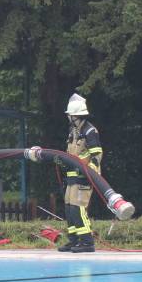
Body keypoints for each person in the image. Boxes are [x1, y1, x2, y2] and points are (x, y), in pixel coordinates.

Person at [57, 93, 102, 253]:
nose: (68, 117)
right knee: (69, 208)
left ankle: (87, 242)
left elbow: (96, 154)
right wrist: (62, 160)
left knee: (78, 208)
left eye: (69, 114)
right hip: (72, 176)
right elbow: (71, 152)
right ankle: (74, 240)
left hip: (84, 177)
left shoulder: (90, 131)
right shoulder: (73, 131)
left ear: (76, 115)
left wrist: (89, 170)